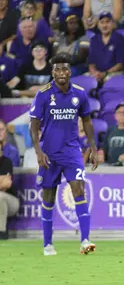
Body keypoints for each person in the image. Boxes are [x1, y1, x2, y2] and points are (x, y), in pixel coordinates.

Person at [29, 52, 99, 256]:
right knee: (48, 197)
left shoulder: (80, 93)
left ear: (70, 71)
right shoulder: (43, 94)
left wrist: (93, 147)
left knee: (79, 189)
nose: (61, 72)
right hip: (49, 153)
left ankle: (85, 240)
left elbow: (86, 121)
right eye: (58, 69)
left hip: (72, 152)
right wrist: (39, 152)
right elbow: (33, 126)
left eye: (65, 68)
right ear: (52, 72)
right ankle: (48, 244)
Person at [87, 12, 124, 84]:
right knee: (84, 80)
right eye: (102, 22)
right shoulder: (94, 39)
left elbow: (120, 65)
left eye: (107, 22)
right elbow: (91, 62)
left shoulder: (119, 39)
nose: (104, 25)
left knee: (107, 80)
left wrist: (105, 74)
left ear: (113, 24)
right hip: (97, 73)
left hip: (114, 73)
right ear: (98, 25)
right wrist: (94, 73)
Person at [0, 140, 19, 240]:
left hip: (11, 201)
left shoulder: (6, 162)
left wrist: (3, 181)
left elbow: (7, 184)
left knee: (0, 197)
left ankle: (1, 233)